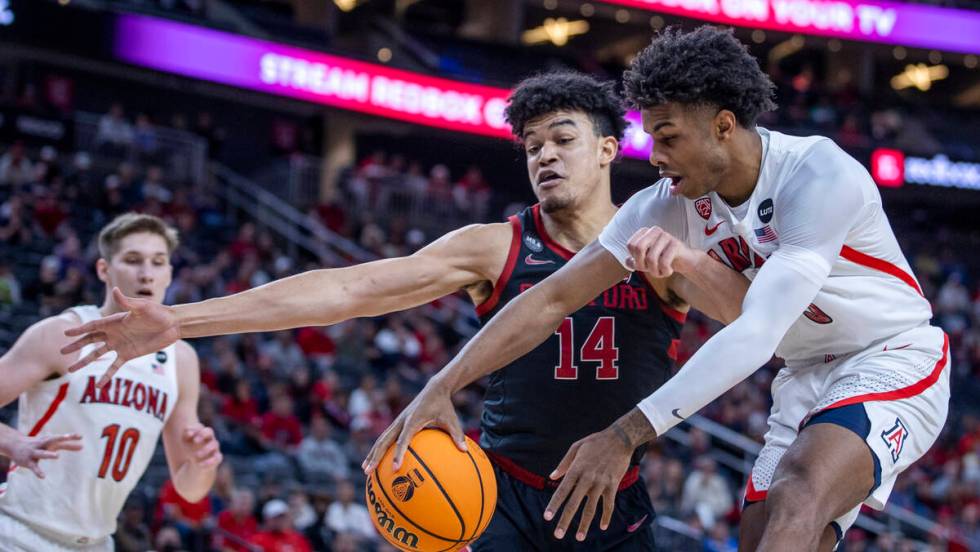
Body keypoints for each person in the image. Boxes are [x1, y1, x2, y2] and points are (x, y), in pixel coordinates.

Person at [61, 72, 749, 550]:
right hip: (499, 493)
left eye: (561, 140)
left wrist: (686, 263)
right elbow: (345, 291)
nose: (543, 155)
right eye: (532, 145)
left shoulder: (661, 238)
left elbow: (752, 319)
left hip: (614, 497)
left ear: (607, 149)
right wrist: (183, 320)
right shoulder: (494, 246)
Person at [362, 27, 949, 551]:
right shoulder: (666, 205)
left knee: (799, 491)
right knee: (766, 533)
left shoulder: (818, 173)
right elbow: (552, 298)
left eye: (667, 137)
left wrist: (625, 434)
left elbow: (755, 331)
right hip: (803, 373)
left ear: (723, 125)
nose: (656, 156)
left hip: (890, 355)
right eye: (651, 137)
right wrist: (442, 384)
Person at [0, 213, 222, 550]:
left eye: (158, 262)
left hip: (97, 542)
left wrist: (204, 464)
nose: (146, 273)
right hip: (20, 531)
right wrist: (12, 442)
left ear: (169, 274)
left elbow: (190, 488)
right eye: (133, 260)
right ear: (104, 270)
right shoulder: (61, 333)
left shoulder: (181, 359)